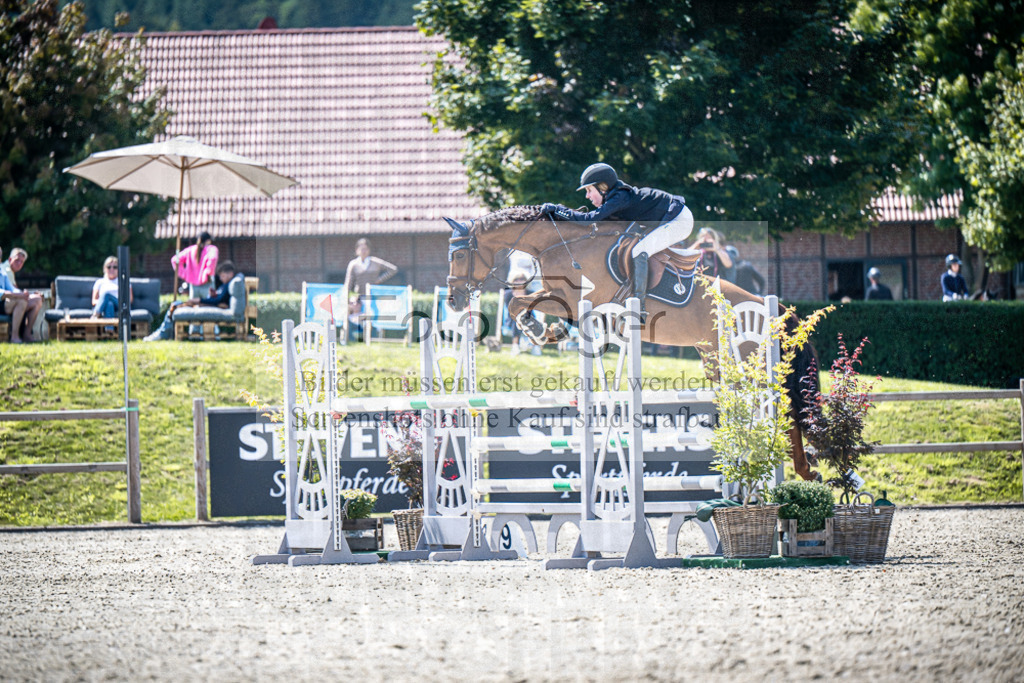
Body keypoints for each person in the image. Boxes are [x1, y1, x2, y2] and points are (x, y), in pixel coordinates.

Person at [539, 163, 693, 317]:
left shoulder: (619, 197)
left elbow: (588, 219)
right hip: (670, 219)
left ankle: (639, 306)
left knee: (639, 250)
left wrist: (559, 209)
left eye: (589, 190)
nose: (587, 196)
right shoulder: (617, 196)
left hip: (679, 221)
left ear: (602, 187)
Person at [144, 261, 242, 340]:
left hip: (210, 305)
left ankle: (163, 333)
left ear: (230, 274)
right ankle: (163, 332)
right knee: (176, 304)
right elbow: (218, 297)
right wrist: (213, 295)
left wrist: (199, 300)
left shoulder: (229, 285)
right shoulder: (226, 285)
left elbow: (218, 301)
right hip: (208, 304)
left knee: (176, 305)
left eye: (223, 276)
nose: (220, 278)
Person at [0, 247, 43, 342]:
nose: (19, 264)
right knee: (22, 301)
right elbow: (2, 293)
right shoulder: (6, 269)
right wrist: (22, 296)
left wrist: (27, 294)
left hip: (6, 302)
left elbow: (13, 290)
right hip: (2, 302)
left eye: (21, 262)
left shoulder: (2, 271)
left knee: (37, 300)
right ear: (10, 259)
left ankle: (26, 334)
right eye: (17, 260)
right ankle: (15, 336)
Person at [171, 231, 218, 298]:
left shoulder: (190, 250)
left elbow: (175, 259)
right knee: (209, 305)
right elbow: (212, 259)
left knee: (194, 306)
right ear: (208, 241)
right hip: (207, 283)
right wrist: (208, 271)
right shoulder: (211, 249)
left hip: (193, 285)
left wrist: (184, 274)